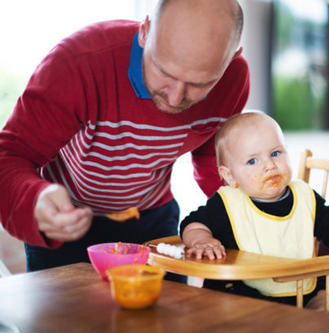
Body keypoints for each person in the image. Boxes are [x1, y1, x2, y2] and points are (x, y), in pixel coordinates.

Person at [0, 0, 249, 274]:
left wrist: (249, 211)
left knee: (168, 314)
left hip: (153, 218)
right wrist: (36, 199)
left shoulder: (234, 79)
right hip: (64, 222)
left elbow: (211, 157)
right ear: (145, 31)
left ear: (232, 58)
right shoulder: (78, 63)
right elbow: (11, 155)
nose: (175, 98)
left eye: (200, 84)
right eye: (164, 72)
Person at [180, 112, 329, 317]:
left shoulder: (304, 195)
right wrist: (202, 241)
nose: (270, 165)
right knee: (225, 292)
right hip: (249, 292)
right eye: (253, 161)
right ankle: (309, 316)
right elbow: (192, 224)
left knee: (324, 282)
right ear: (229, 175)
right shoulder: (227, 203)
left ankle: (319, 305)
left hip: (301, 287)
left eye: (275, 153)